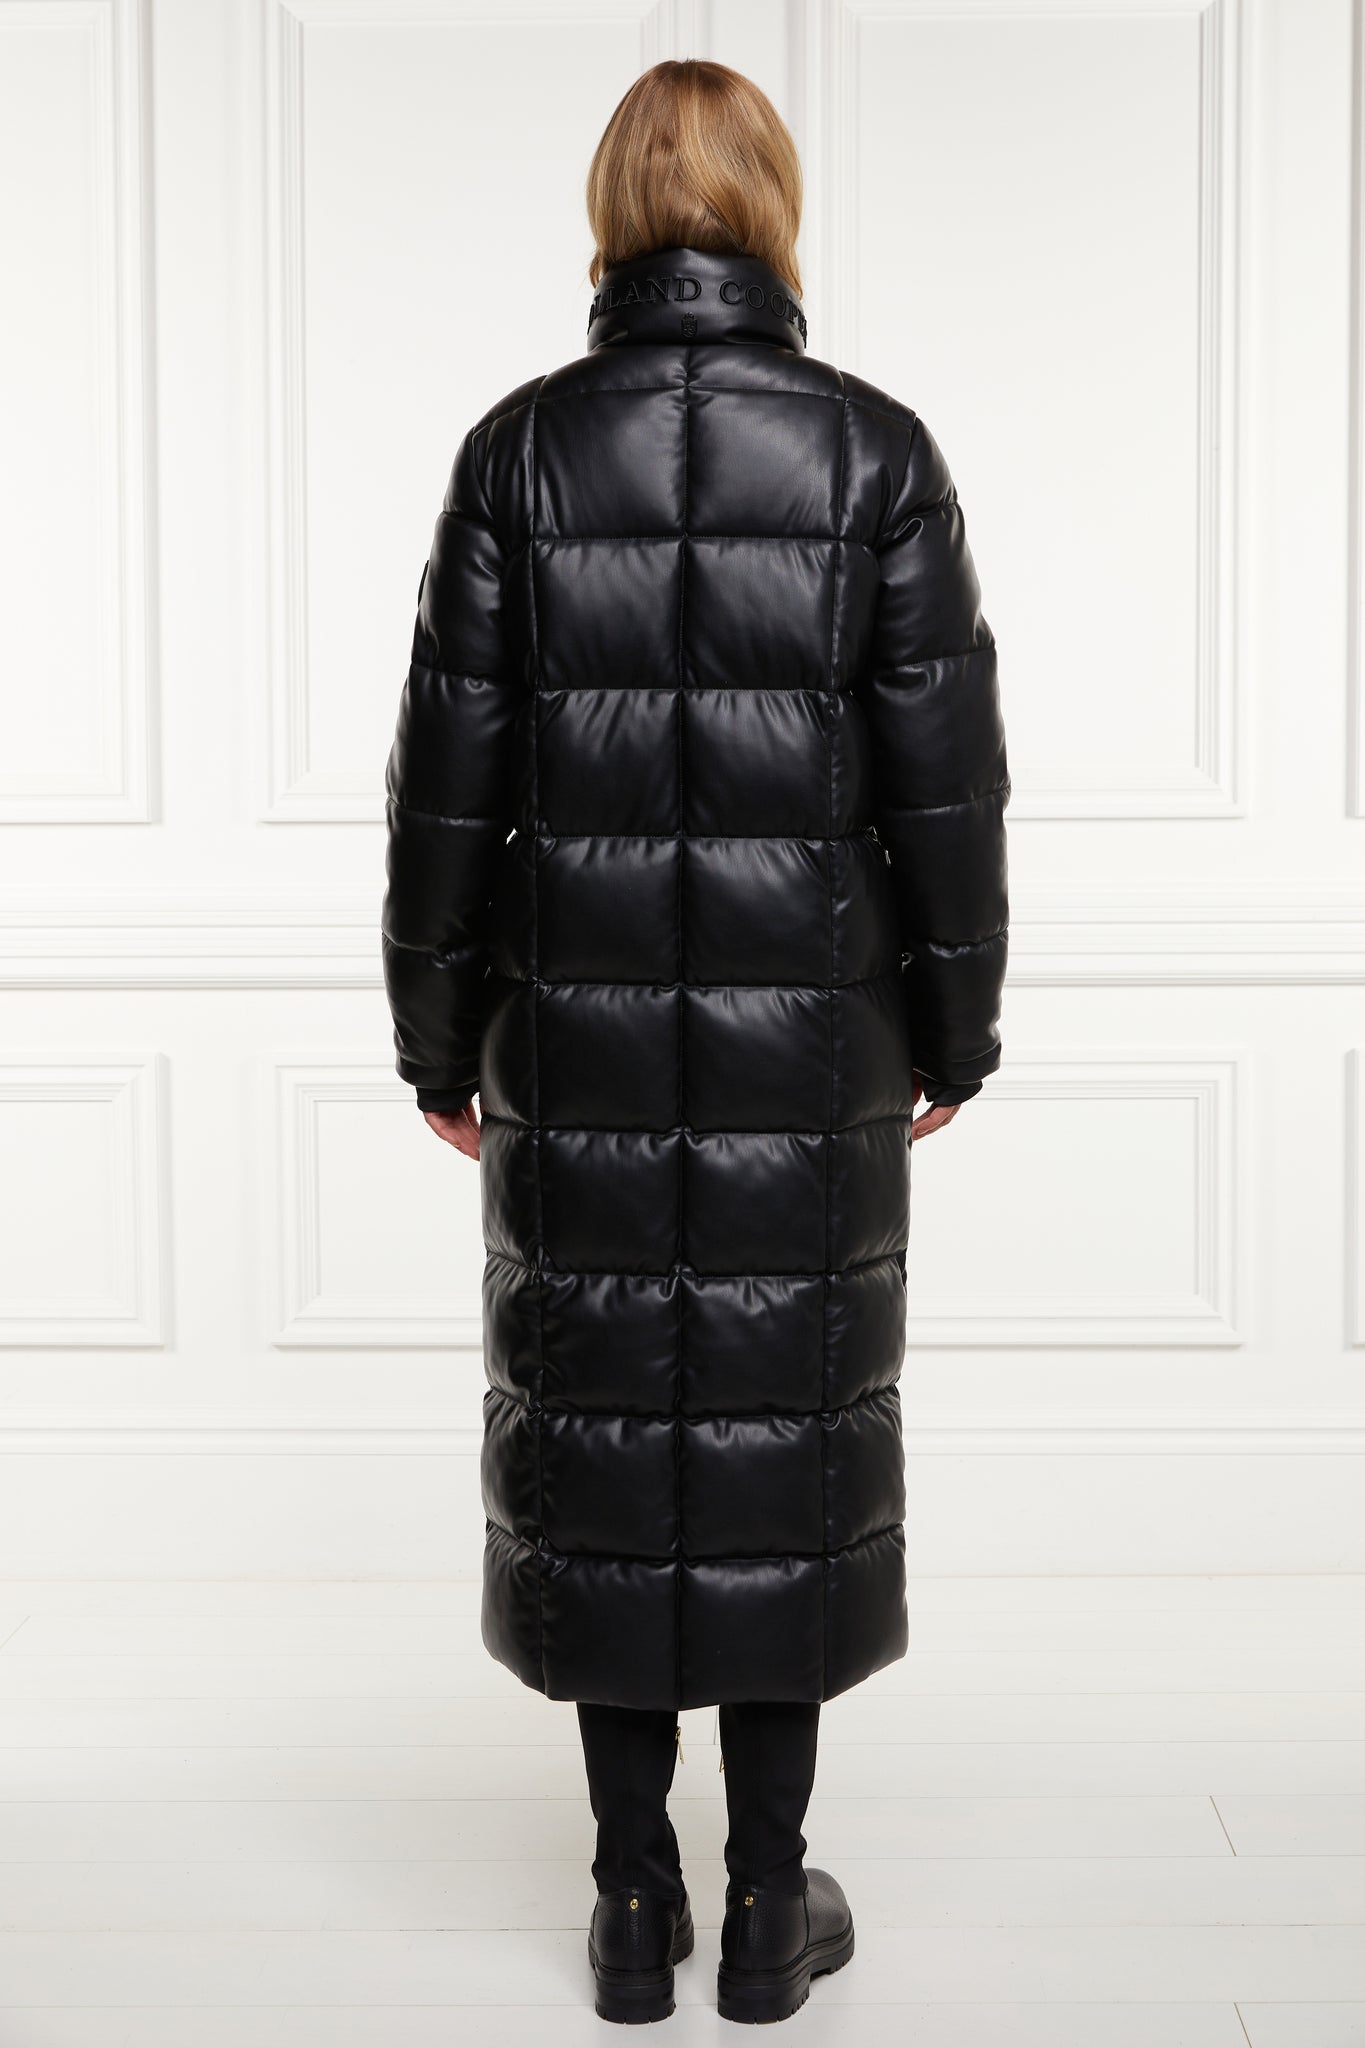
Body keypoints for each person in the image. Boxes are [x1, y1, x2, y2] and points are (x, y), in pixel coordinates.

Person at [381, 57, 1009, 2028]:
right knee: (771, 1455)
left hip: (566, 1048)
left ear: (608, 216)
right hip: (804, 1059)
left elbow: (444, 786)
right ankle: (760, 1906)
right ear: (771, 210)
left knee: (608, 1455)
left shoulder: (517, 456)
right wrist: (954, 1030)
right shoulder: (872, 456)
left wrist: (436, 1043)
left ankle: (628, 1900)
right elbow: (942, 787)